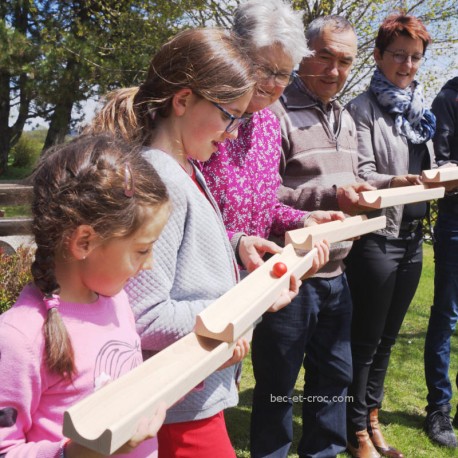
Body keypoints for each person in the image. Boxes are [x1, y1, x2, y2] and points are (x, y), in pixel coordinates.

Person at [87, 28, 298, 458]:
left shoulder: (187, 170)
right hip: (178, 414)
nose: (235, 133)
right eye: (228, 115)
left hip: (196, 398)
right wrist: (250, 303)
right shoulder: (160, 180)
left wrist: (236, 243)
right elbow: (145, 318)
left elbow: (184, 260)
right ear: (183, 101)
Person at [0, 134, 170, 457]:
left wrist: (202, 361)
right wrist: (76, 452)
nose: (149, 264)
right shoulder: (19, 337)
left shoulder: (117, 301)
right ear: (84, 243)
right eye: (141, 250)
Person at [261, 15, 374, 458]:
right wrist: (329, 195)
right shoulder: (276, 112)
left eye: (344, 61)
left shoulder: (344, 116)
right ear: (303, 54)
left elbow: (352, 183)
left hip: (336, 273)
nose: (333, 70)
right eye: (324, 56)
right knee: (278, 385)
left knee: (335, 378)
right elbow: (263, 195)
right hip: (290, 276)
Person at [345, 14, 436, 458]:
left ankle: (373, 418)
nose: (407, 64)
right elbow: (359, 173)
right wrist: (395, 183)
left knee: (387, 340)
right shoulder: (359, 110)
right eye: (398, 55)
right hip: (379, 238)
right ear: (378, 56)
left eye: (415, 57)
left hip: (414, 238)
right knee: (364, 340)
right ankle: (356, 430)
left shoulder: (422, 111)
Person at [200, 0, 335, 269]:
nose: (271, 83)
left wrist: (303, 220)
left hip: (252, 282)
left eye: (283, 74)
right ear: (235, 54)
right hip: (202, 279)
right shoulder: (202, 115)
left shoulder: (268, 125)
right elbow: (177, 215)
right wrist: (235, 243)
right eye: (261, 68)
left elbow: (264, 205)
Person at [424, 75, 458, 448]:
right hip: (456, 223)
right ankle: (438, 408)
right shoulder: (449, 97)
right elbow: (442, 163)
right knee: (446, 317)